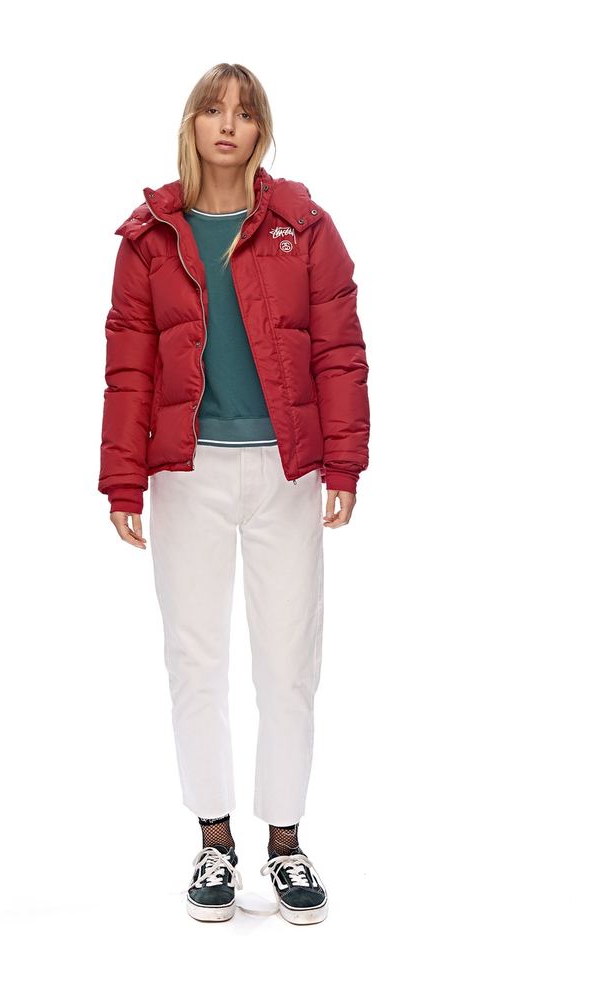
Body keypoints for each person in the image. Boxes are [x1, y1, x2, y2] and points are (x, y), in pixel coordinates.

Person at [98, 63, 370, 925]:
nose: (228, 124)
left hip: (286, 474)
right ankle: (213, 842)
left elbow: (338, 349)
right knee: (195, 661)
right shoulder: (148, 237)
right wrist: (122, 478)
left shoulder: (303, 225)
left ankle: (284, 844)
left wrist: (343, 464)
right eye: (213, 109)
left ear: (261, 131)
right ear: (191, 123)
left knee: (289, 666)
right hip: (186, 475)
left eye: (245, 113)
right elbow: (128, 366)